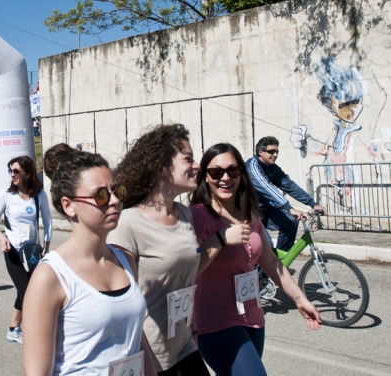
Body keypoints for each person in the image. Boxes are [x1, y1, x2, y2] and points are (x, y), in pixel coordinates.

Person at [190, 143, 321, 376]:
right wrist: (220, 239)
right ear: (205, 177)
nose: (225, 178)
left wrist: (300, 299)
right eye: (216, 172)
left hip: (252, 316)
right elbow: (188, 269)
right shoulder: (199, 215)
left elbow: (271, 262)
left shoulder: (248, 213)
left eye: (233, 170)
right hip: (214, 320)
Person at [23, 146, 156, 376]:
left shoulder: (125, 260)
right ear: (69, 205)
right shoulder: (50, 276)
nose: (114, 200)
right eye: (101, 195)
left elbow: (136, 339)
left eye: (117, 191)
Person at [109, 124, 210, 375]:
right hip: (149, 357)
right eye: (188, 159)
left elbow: (187, 284)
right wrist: (144, 362)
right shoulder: (128, 223)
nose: (197, 165)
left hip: (185, 347)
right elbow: (123, 306)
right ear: (162, 168)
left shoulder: (185, 214)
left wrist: (194, 332)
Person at [0, 155, 52, 344]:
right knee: (27, 291)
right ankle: (33, 329)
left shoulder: (39, 195)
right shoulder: (7, 195)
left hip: (33, 252)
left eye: (16, 171)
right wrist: (1, 238)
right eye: (11, 171)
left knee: (26, 291)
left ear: (27, 172)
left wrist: (46, 246)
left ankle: (13, 328)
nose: (12, 174)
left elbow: (48, 221)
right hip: (13, 251)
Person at [246, 136, 327, 251]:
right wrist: (290, 208)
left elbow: (289, 186)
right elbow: (267, 188)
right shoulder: (252, 167)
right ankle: (265, 268)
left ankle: (279, 264)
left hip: (264, 210)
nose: (275, 155)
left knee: (291, 221)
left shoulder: (272, 168)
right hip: (248, 213)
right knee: (266, 245)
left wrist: (312, 204)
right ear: (260, 152)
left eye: (277, 151)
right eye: (271, 152)